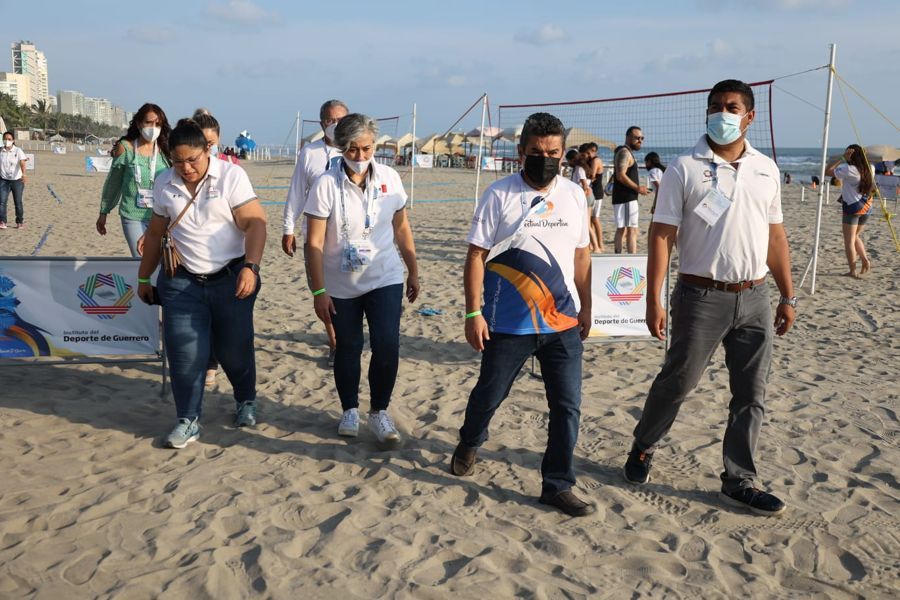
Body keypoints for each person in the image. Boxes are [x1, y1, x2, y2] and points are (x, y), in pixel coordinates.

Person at [622, 79, 796, 517]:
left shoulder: (766, 169)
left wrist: (788, 295)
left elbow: (775, 235)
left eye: (732, 107)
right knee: (677, 382)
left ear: (749, 116)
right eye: (716, 106)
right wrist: (653, 298)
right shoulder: (684, 167)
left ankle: (739, 481)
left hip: (754, 295)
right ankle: (644, 444)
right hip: (700, 296)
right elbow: (661, 235)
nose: (723, 113)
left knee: (751, 393)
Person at [450, 112, 594, 517]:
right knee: (489, 395)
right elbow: (476, 256)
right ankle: (470, 440)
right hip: (508, 322)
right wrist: (473, 312)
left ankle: (557, 485)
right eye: (536, 152)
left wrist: (588, 305)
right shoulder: (499, 194)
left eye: (552, 153)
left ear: (563, 153)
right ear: (520, 152)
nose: (545, 159)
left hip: (563, 321)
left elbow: (582, 254)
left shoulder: (574, 194)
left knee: (567, 406)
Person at [136, 119, 267, 448]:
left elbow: (255, 223)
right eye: (177, 161)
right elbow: (155, 233)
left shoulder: (231, 176)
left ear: (207, 150)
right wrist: (143, 276)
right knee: (184, 352)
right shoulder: (164, 182)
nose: (186, 168)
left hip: (231, 277)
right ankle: (187, 420)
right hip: (182, 282)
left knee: (233, 349)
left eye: (192, 159)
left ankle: (245, 399)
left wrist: (251, 267)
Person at [304, 113, 419, 445]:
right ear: (341, 148)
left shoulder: (390, 178)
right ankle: (349, 409)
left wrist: (413, 269)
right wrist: (318, 290)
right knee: (348, 345)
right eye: (352, 149)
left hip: (384, 275)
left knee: (387, 343)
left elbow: (401, 228)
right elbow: (313, 243)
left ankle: (379, 411)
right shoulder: (326, 184)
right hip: (340, 283)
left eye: (366, 148)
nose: (360, 156)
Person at [283, 99, 350, 366]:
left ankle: (346, 337)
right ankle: (334, 342)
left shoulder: (355, 149)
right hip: (316, 236)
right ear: (322, 123)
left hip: (349, 235)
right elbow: (297, 191)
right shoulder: (309, 152)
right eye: (330, 120)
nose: (335, 125)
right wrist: (288, 227)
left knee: (349, 290)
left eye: (340, 120)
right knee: (321, 289)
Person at [97, 103, 172, 257]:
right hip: (132, 215)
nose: (153, 128)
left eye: (157, 124)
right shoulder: (125, 148)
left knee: (161, 261)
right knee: (141, 258)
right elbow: (114, 182)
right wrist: (104, 211)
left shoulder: (166, 150)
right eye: (148, 122)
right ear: (138, 123)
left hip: (161, 217)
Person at [825, 144, 875, 278]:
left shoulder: (849, 169)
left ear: (851, 155)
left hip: (853, 207)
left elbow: (827, 171)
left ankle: (853, 271)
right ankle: (865, 260)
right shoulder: (871, 167)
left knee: (849, 241)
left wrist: (842, 158)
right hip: (867, 206)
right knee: (855, 236)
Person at [612, 126, 648, 254]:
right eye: (637, 138)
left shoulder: (624, 151)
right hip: (626, 198)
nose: (640, 141)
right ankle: (631, 260)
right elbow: (620, 175)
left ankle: (619, 257)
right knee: (631, 230)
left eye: (642, 138)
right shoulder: (625, 152)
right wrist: (638, 188)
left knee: (622, 229)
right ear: (628, 137)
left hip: (622, 197)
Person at [580, 142, 605, 253]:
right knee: (590, 219)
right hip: (592, 192)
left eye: (589, 152)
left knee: (595, 219)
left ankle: (600, 244)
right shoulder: (590, 160)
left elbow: (592, 176)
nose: (588, 155)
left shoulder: (595, 160)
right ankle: (591, 244)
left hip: (596, 192)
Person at [0, 132, 28, 229]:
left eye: (9, 139)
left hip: (17, 180)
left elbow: (22, 162)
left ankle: (19, 222)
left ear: (13, 140)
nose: (7, 141)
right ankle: (2, 221)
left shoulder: (18, 150)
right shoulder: (1, 151)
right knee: (2, 201)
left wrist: (24, 174)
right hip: (3, 180)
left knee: (18, 202)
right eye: (5, 139)